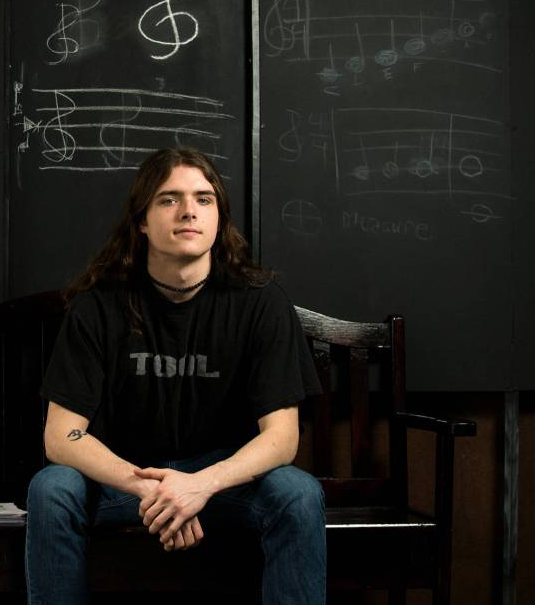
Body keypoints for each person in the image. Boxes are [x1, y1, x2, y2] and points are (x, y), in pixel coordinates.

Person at [25, 147, 325, 604]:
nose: (189, 211)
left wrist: (200, 485)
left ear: (219, 218)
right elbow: (61, 436)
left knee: (298, 492)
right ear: (142, 220)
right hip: (125, 478)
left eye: (204, 199)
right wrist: (159, 489)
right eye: (169, 199)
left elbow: (282, 439)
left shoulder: (261, 303)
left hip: (225, 481)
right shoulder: (98, 305)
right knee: (51, 488)